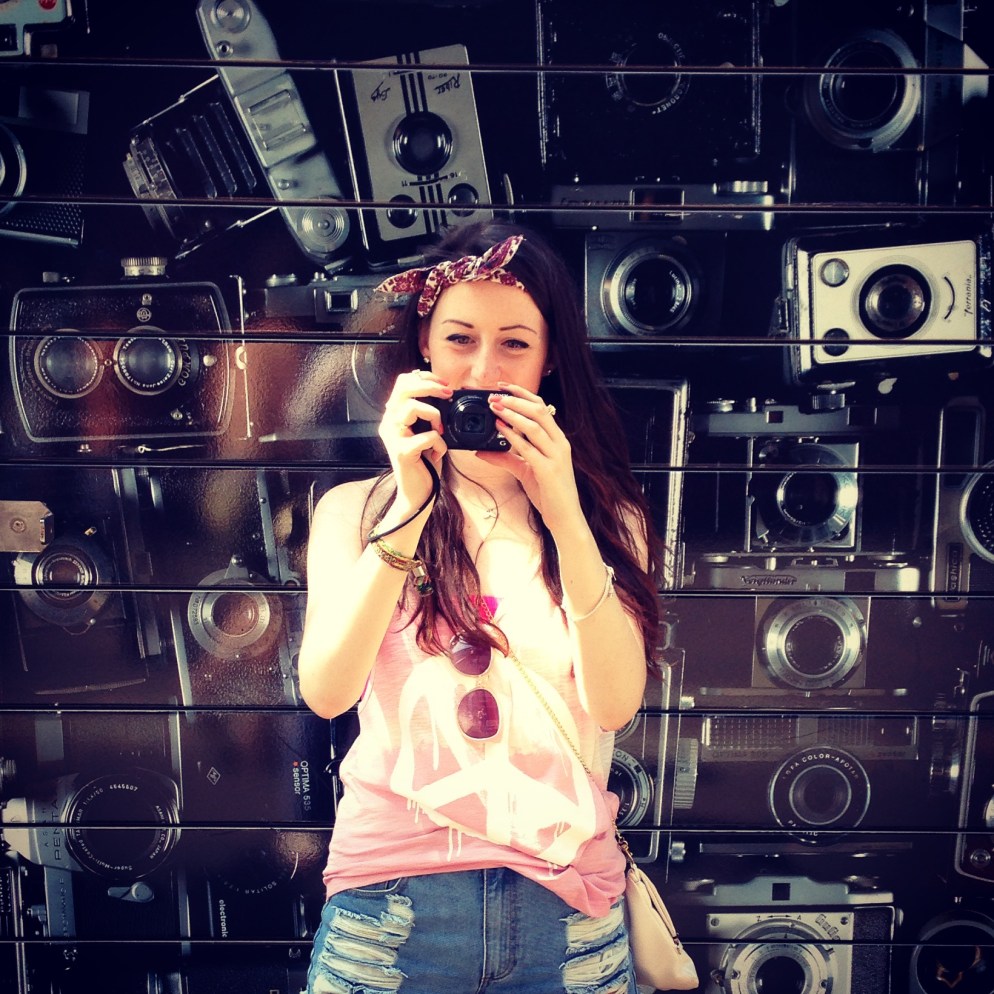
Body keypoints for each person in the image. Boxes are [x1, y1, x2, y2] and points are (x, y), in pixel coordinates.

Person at [298, 220, 665, 994]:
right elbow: (328, 692)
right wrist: (410, 504)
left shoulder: (609, 518)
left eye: (515, 345)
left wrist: (564, 512)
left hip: (567, 906)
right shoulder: (355, 512)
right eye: (460, 339)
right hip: (392, 899)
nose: (483, 370)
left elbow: (615, 705)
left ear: (550, 359)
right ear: (423, 345)